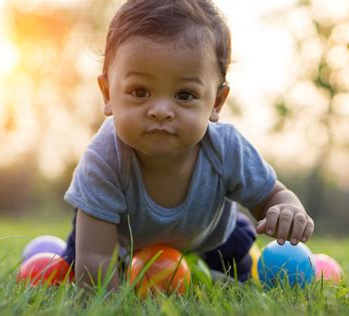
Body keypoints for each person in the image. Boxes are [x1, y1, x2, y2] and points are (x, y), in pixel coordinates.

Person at [63, 0, 314, 290]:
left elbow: (271, 196)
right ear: (108, 94)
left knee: (239, 272)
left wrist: (287, 209)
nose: (160, 110)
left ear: (216, 103)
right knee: (80, 268)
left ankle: (215, 270)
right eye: (139, 91)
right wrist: (115, 302)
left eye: (184, 95)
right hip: (119, 244)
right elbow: (95, 257)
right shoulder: (104, 159)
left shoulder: (226, 149)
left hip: (210, 238)